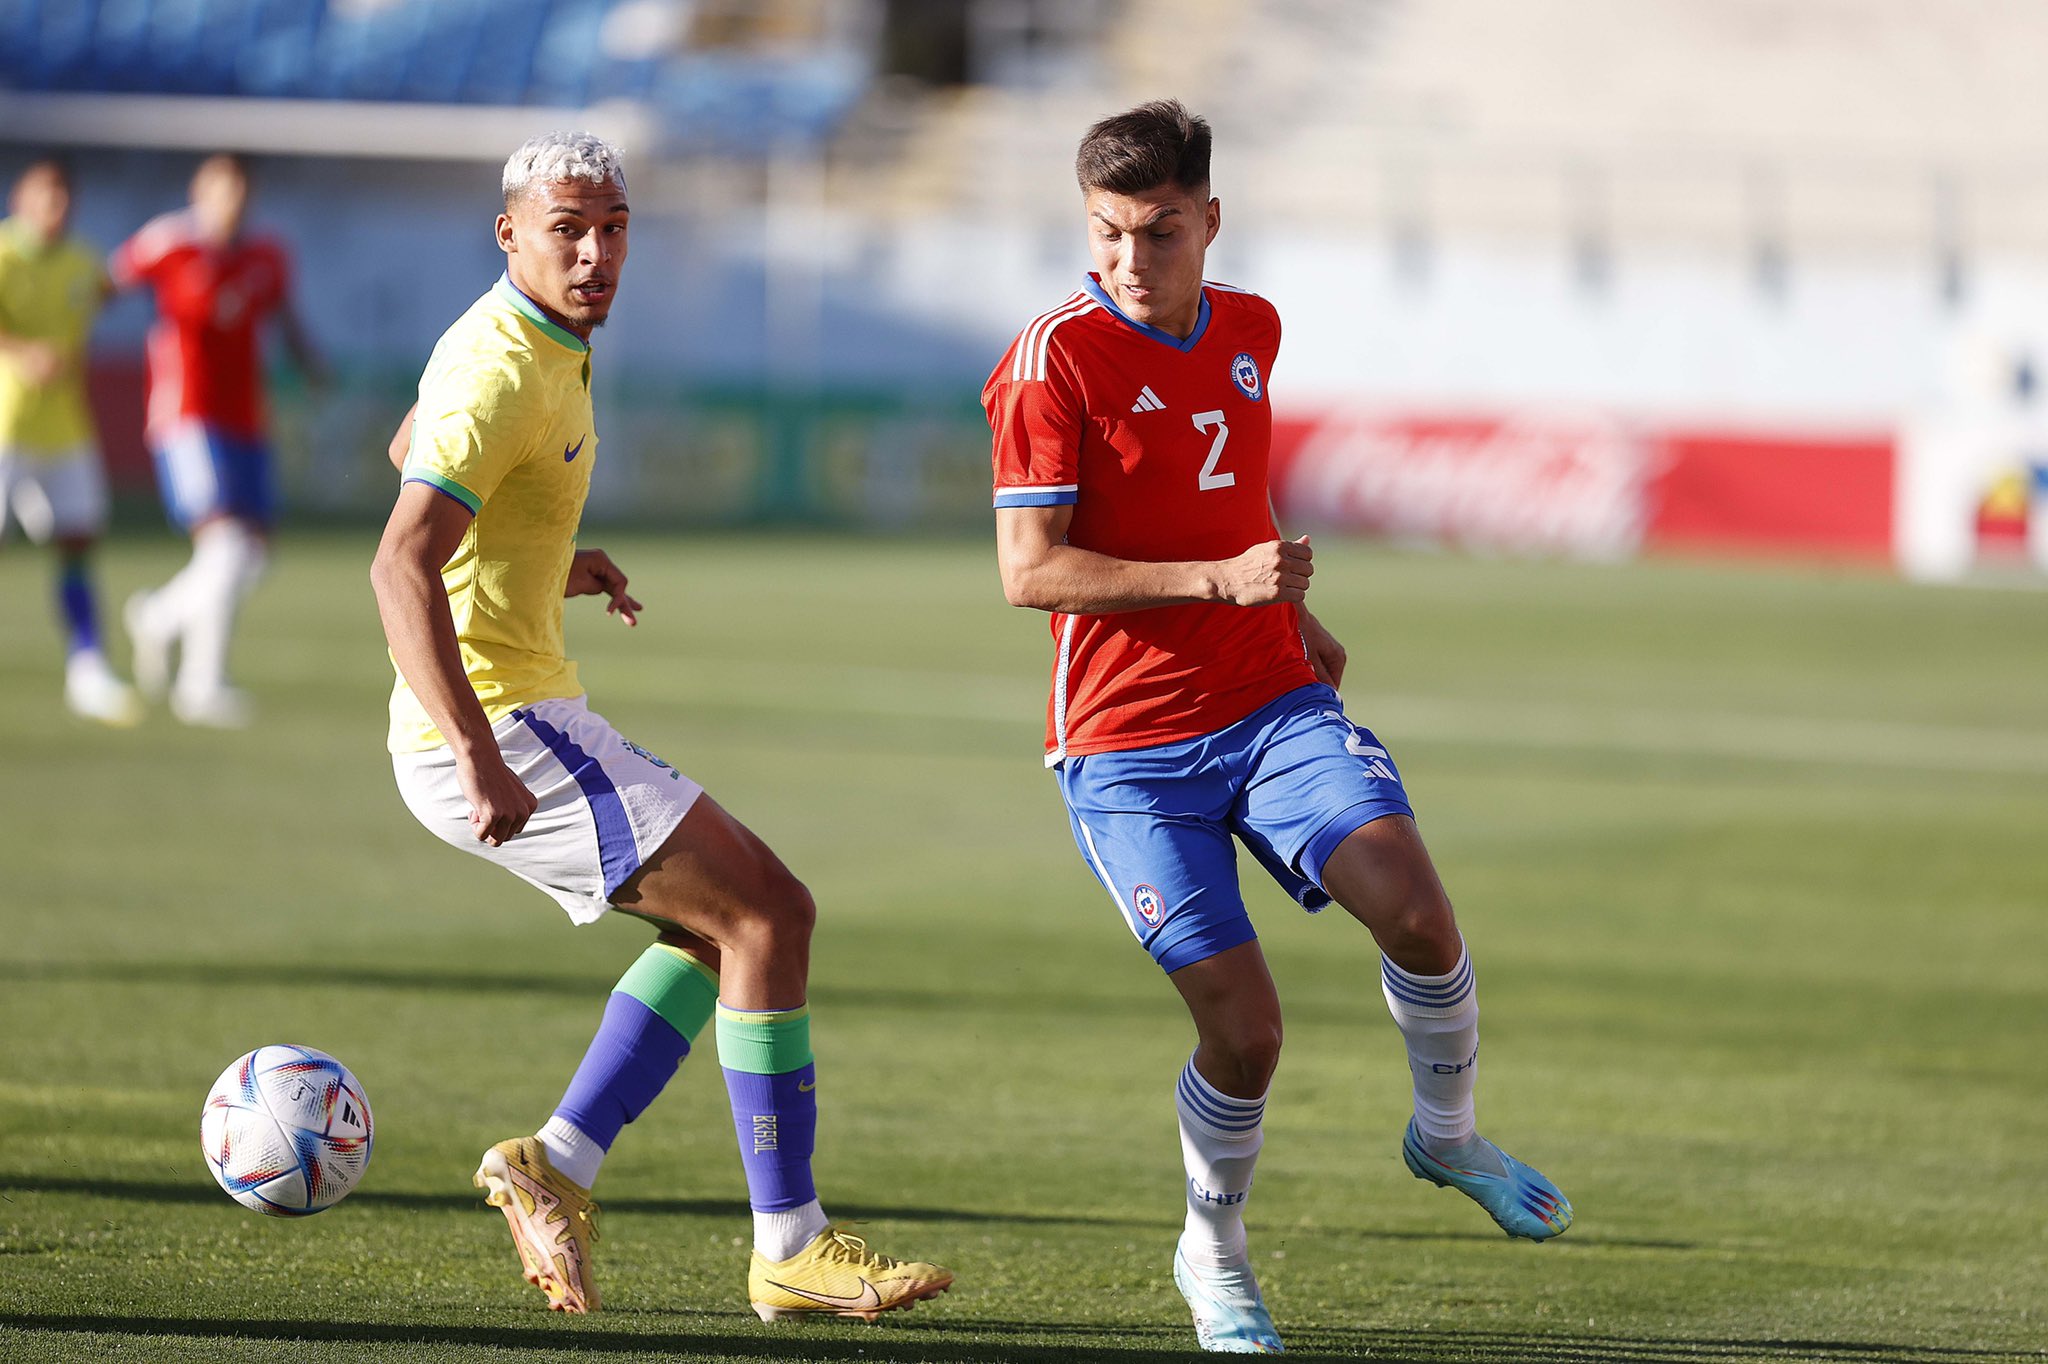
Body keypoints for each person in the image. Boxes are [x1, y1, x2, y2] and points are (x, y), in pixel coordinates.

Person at [983, 100, 1571, 1355]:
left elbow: (1228, 492)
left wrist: (1294, 619)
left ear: (1207, 219)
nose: (1125, 263)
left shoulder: (1250, 326)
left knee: (1415, 906)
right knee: (1245, 1031)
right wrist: (1216, 584)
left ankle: (1447, 1134)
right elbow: (1027, 572)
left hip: (1267, 698)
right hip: (1126, 748)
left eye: (1153, 233)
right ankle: (1214, 1248)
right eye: (1102, 235)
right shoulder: (1050, 362)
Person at [369, 131, 952, 1322]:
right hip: (497, 726)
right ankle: (786, 1245)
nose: (594, 252)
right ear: (509, 234)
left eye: (614, 227)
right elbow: (397, 562)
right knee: (768, 910)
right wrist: (480, 751)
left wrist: (542, 561)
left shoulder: (528, 340)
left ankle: (556, 1163)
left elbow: (411, 451)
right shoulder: (500, 363)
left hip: (524, 703)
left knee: (721, 930)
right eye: (566, 229)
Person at [112, 153, 324, 728]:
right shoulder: (170, 243)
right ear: (198, 191)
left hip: (244, 416)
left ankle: (158, 618)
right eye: (218, 188)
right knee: (226, 546)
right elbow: (107, 283)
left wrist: (308, 363)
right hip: (188, 413)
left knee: (252, 556)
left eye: (239, 189)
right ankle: (200, 686)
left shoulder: (265, 256)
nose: (229, 199)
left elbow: (284, 314)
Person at [0, 156, 141, 726]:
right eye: (43, 197)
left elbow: (104, 290)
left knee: (78, 542)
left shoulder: (84, 262)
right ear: (20, 200)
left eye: (62, 198)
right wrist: (21, 351)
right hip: (6, 425)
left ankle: (87, 670)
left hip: (65, 427)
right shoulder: (5, 253)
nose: (53, 208)